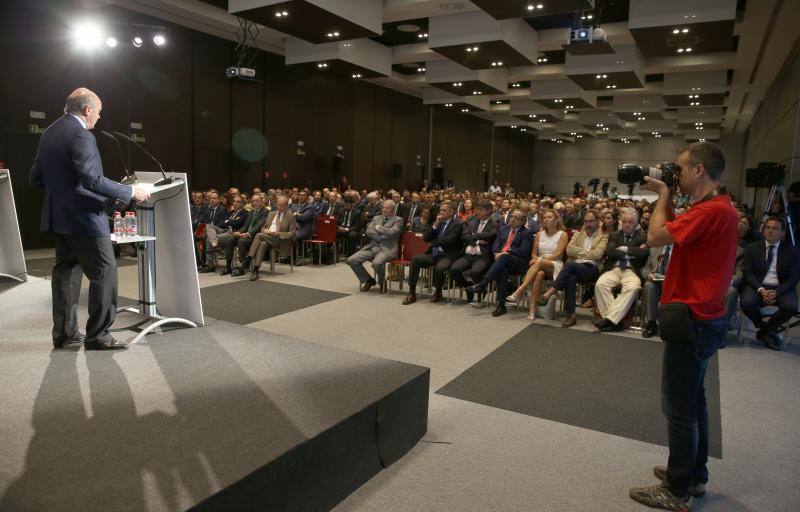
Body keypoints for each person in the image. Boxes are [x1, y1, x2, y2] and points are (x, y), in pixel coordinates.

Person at [628, 142, 739, 511]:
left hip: (691, 319)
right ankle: (694, 475)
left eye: (679, 168)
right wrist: (669, 196)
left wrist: (662, 192)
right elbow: (676, 230)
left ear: (699, 171)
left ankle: (677, 491)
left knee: (678, 407)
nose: (674, 174)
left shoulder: (710, 211)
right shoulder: (717, 208)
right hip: (703, 319)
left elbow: (656, 236)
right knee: (694, 402)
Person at [29, 87, 150, 351]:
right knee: (104, 272)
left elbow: (36, 178)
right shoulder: (81, 134)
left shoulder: (49, 133)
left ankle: (65, 334)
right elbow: (92, 179)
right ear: (87, 110)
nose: (99, 118)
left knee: (66, 275)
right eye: (98, 112)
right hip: (84, 219)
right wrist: (129, 191)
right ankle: (99, 336)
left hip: (59, 218)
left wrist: (63, 195)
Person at [538, 210, 608, 327]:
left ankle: (550, 292)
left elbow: (598, 255)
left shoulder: (603, 236)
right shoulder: (578, 234)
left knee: (570, 266)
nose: (588, 224)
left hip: (592, 269)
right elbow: (569, 250)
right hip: (576, 267)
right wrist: (588, 252)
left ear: (598, 222)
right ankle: (572, 315)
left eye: (591, 221)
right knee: (570, 278)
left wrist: (579, 253)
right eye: (586, 221)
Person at [739, 217, 800, 350]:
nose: (770, 231)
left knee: (791, 307)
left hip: (781, 287)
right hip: (758, 284)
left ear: (783, 233)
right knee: (746, 303)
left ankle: (765, 330)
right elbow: (747, 273)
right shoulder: (752, 248)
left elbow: (793, 278)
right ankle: (765, 329)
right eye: (767, 228)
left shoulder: (792, 251)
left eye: (775, 228)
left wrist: (777, 292)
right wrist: (761, 289)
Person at [466, 211, 533, 317]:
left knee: (504, 258)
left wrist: (507, 252)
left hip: (518, 262)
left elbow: (523, 251)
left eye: (516, 218)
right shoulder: (503, 230)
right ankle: (501, 306)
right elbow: (495, 245)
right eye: (511, 216)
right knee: (502, 270)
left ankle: (483, 284)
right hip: (502, 262)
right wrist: (496, 253)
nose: (512, 219)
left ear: (522, 222)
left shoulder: (527, 233)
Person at [594, 208, 649, 332]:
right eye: (624, 221)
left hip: (632, 271)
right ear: (620, 222)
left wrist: (623, 248)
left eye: (630, 222)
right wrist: (633, 251)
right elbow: (611, 252)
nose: (627, 224)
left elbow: (643, 253)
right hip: (614, 268)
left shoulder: (643, 236)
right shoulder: (614, 235)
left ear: (636, 224)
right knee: (600, 284)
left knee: (633, 288)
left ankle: (609, 320)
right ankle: (614, 321)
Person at [507, 209, 567, 320]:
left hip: (555, 264)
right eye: (544, 218)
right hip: (539, 263)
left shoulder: (562, 234)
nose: (546, 220)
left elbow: (558, 254)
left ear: (556, 219)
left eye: (549, 217)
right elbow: (534, 253)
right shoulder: (539, 234)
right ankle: (532, 310)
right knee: (539, 274)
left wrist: (539, 259)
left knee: (538, 262)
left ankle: (520, 290)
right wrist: (535, 258)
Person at [402, 201, 462, 305]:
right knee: (416, 260)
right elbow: (426, 238)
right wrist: (435, 225)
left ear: (452, 212)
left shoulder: (458, 224)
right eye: (440, 210)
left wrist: (433, 242)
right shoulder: (438, 222)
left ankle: (438, 291)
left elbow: (449, 240)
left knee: (440, 268)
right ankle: (412, 293)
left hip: (448, 255)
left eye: (444, 210)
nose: (441, 212)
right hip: (434, 253)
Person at [347, 200, 403, 293]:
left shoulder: (398, 220)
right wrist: (381, 236)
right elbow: (368, 231)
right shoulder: (376, 218)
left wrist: (379, 228)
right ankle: (369, 280)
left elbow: (392, 232)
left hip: (387, 249)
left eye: (387, 208)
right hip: (373, 246)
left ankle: (382, 283)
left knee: (376, 263)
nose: (384, 210)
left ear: (393, 209)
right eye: (383, 207)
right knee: (352, 260)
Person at [449, 200, 498, 304]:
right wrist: (478, 239)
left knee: (475, 272)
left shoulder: (494, 223)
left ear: (489, 210)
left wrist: (474, 235)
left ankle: (481, 290)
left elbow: (491, 235)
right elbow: (464, 236)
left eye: (480, 210)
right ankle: (468, 287)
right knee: (454, 269)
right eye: (477, 209)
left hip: (482, 255)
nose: (477, 212)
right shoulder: (472, 220)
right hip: (468, 254)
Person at [242, 195, 297, 281]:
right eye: (278, 204)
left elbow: (292, 234)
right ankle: (256, 270)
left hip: (279, 240)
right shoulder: (271, 213)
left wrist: (277, 234)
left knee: (259, 235)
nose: (279, 207)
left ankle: (248, 259)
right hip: (267, 237)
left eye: (282, 205)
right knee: (262, 243)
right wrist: (265, 231)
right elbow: (263, 227)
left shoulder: (291, 216)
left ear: (286, 205)